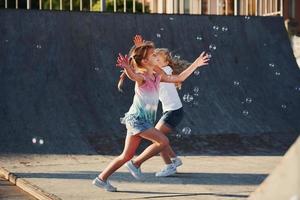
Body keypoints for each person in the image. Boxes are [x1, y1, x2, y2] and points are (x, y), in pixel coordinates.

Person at [92, 42, 209, 192]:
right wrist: (127, 68)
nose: (156, 56)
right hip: (137, 120)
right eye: (153, 55)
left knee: (126, 155)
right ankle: (136, 164)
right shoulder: (142, 77)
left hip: (141, 120)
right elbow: (133, 76)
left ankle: (101, 179)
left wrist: (196, 64)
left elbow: (179, 77)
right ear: (146, 61)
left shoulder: (157, 77)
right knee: (163, 141)